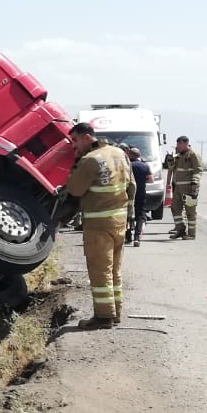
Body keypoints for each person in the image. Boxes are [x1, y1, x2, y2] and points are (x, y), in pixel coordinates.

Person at [64, 122, 133, 327]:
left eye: (75, 140)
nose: (73, 146)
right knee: (114, 270)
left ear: (87, 137)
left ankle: (103, 317)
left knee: (100, 270)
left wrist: (74, 166)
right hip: (119, 221)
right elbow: (132, 186)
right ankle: (115, 312)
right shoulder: (119, 153)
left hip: (98, 223)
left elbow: (75, 190)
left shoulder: (89, 160)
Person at [164, 136, 202, 238]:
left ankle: (191, 234)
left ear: (186, 144)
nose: (178, 147)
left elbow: (198, 170)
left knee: (190, 211)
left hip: (189, 187)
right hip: (178, 188)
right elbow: (172, 169)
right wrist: (170, 161)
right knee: (175, 208)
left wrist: (195, 182)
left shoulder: (193, 155)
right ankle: (180, 229)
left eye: (179, 144)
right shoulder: (178, 156)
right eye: (177, 144)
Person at [125, 146, 151, 246]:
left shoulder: (128, 166)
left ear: (130, 155)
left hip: (128, 194)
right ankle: (137, 238)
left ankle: (128, 237)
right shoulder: (145, 166)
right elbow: (150, 179)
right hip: (141, 193)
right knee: (140, 216)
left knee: (127, 216)